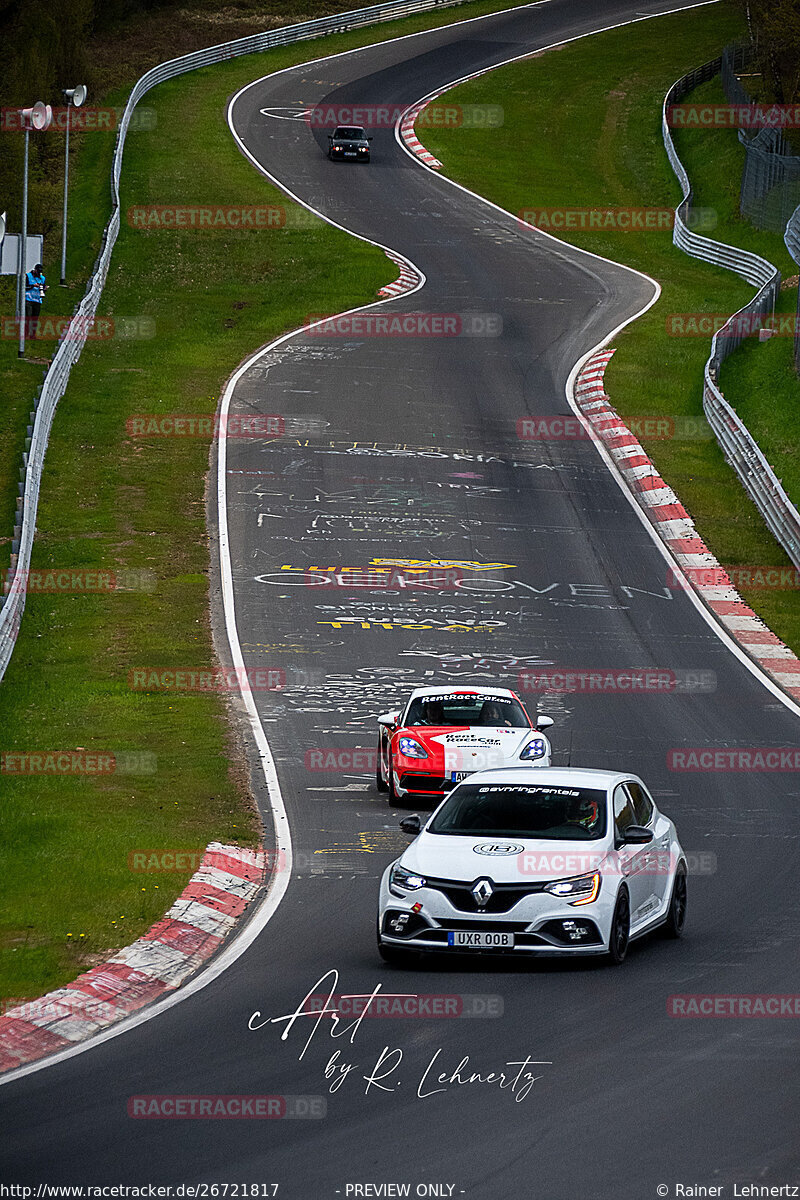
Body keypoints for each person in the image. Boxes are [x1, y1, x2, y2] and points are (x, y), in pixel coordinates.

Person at [24, 263, 46, 339]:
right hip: (28, 299)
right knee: (28, 317)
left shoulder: (42, 278)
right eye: (38, 271)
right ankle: (25, 334)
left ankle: (32, 335)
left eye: (40, 272)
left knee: (35, 318)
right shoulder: (28, 276)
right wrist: (33, 286)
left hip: (37, 300)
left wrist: (44, 289)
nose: (39, 273)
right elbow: (24, 287)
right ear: (35, 270)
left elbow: (42, 289)